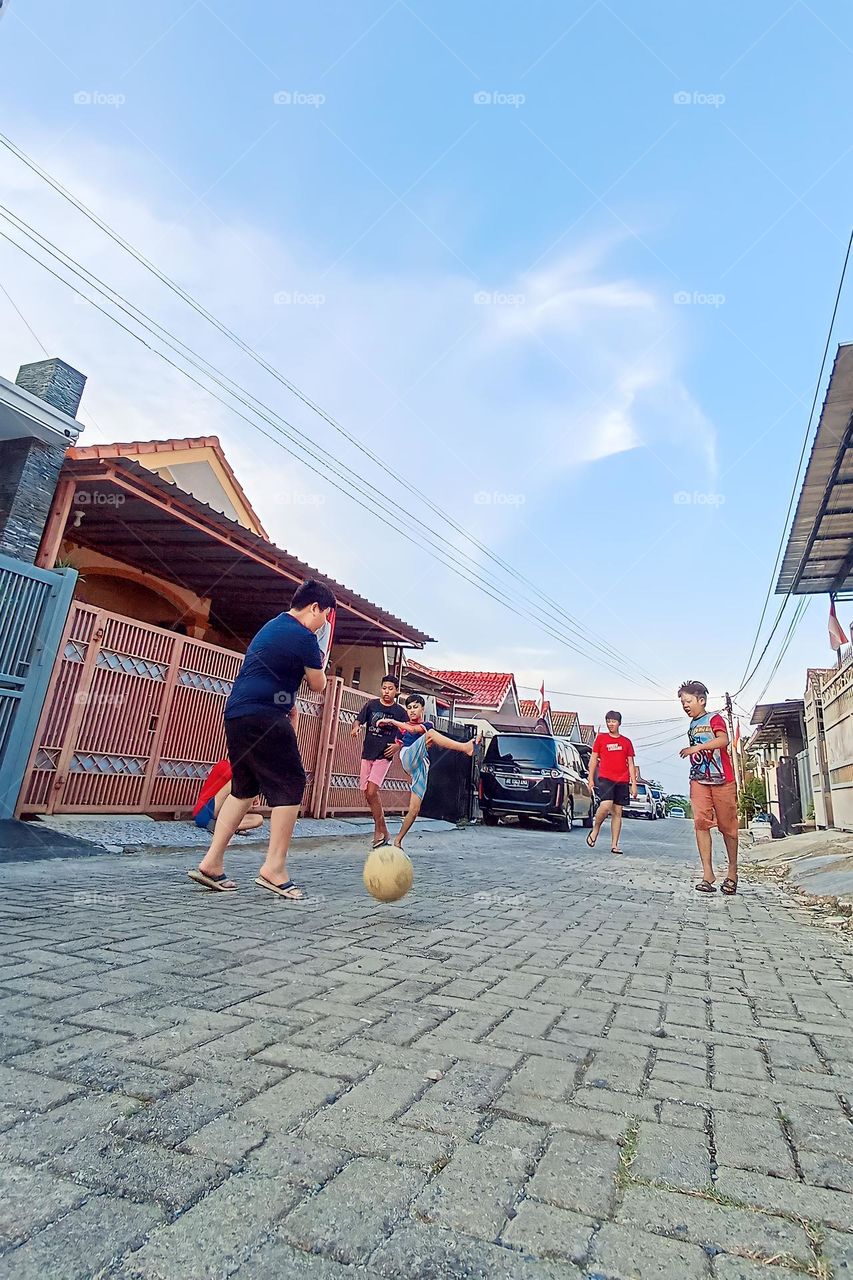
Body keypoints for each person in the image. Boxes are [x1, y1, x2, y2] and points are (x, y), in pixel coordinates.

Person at [188, 578, 334, 899]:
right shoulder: (305, 638)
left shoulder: (272, 626)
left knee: (244, 788)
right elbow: (318, 684)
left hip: (238, 712)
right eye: (325, 614)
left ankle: (211, 863)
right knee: (292, 783)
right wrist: (320, 654)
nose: (324, 622)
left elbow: (270, 672)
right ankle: (274, 868)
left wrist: (287, 702)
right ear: (314, 608)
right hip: (265, 716)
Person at [376, 694, 476, 850]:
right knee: (430, 735)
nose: (412, 711)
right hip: (409, 756)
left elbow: (413, 729)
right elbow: (399, 740)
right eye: (409, 708)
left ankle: (398, 841)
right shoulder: (404, 727)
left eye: (415, 707)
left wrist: (393, 722)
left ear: (423, 708)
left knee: (414, 809)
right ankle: (465, 747)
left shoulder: (427, 724)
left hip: (421, 765)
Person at [677, 679, 739, 895]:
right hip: (699, 779)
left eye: (688, 701)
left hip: (722, 779)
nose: (685, 705)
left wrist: (699, 747)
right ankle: (707, 874)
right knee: (701, 822)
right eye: (683, 702)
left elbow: (724, 740)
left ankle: (732, 872)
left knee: (728, 827)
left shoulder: (714, 718)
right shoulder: (692, 725)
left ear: (701, 700)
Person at [351, 674, 406, 849]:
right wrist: (356, 728)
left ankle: (380, 830)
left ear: (396, 691)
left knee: (372, 790)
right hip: (368, 752)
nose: (386, 692)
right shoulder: (371, 705)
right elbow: (359, 719)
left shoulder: (400, 712)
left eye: (390, 689)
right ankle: (383, 829)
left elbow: (407, 733)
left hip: (384, 755)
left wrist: (398, 746)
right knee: (367, 793)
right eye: (384, 688)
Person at [585, 711, 637, 855]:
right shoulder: (601, 739)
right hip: (605, 778)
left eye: (613, 721)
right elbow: (593, 760)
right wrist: (590, 779)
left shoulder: (626, 742)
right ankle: (596, 828)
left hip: (622, 779)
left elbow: (631, 764)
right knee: (606, 805)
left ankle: (614, 845)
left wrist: (633, 783)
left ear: (619, 723)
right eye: (608, 721)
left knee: (617, 812)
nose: (610, 724)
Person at [192, 758, 264, 835]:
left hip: (220, 817)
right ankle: (226, 827)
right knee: (237, 781)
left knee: (258, 819)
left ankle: (219, 827)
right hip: (204, 812)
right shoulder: (223, 765)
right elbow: (242, 779)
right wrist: (255, 794)